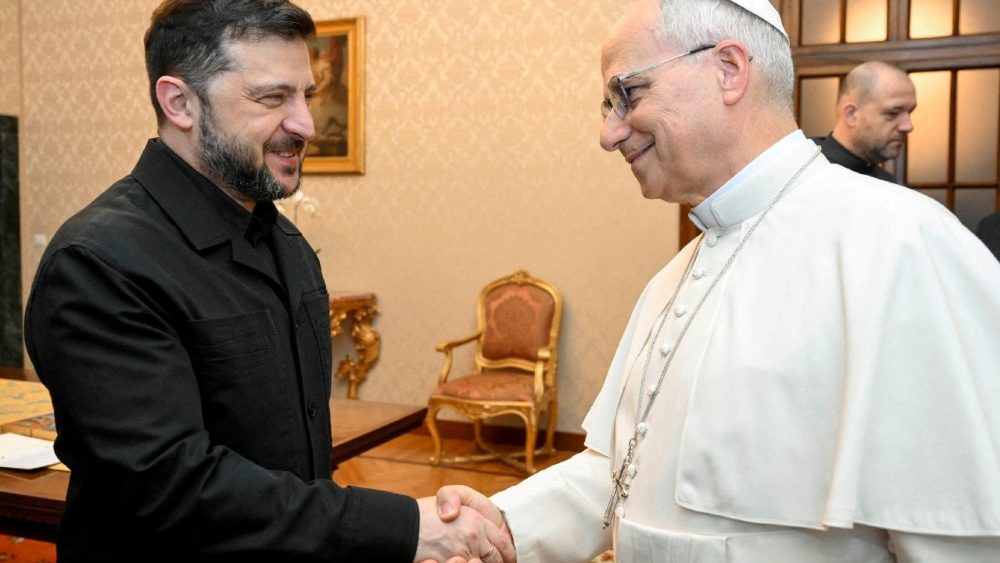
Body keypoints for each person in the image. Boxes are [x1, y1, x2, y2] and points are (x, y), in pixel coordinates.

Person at [436, 0, 1000, 561]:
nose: (608, 134)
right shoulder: (673, 277)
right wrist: (505, 525)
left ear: (728, 70)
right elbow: (620, 472)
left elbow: (959, 540)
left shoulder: (904, 244)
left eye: (627, 95)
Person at [23, 1, 512, 562]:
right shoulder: (99, 263)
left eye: (307, 94)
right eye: (273, 98)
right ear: (179, 102)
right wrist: (402, 527)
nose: (305, 122)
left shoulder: (286, 243)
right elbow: (171, 488)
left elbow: (292, 462)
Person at [814, 61, 916, 183]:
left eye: (909, 112)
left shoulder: (888, 184)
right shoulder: (801, 169)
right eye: (892, 113)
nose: (908, 126)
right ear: (852, 115)